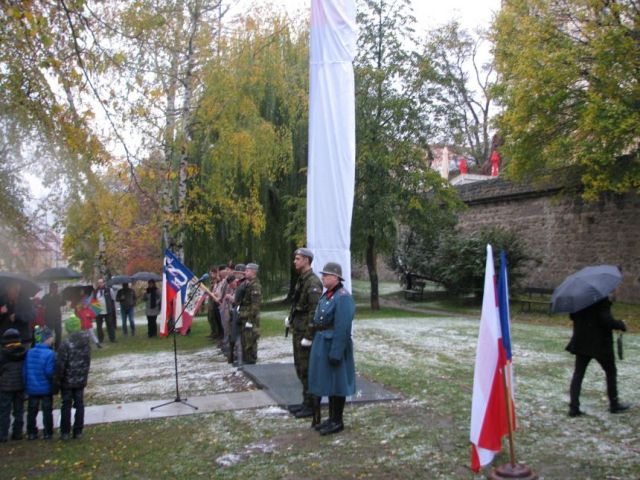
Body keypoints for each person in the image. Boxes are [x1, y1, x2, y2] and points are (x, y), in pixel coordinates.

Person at [308, 262, 356, 435]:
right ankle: (331, 419)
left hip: (335, 345)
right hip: (323, 342)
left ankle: (338, 420)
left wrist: (336, 352)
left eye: (326, 275)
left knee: (338, 383)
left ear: (336, 277)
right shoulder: (327, 295)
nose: (323, 278)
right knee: (329, 382)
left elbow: (343, 327)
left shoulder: (342, 297)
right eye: (323, 275)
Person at [566, 297, 629, 417]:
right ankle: (614, 404)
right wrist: (620, 324)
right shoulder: (601, 301)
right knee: (611, 372)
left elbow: (573, 316)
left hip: (582, 342)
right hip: (600, 345)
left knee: (578, 374)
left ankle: (574, 407)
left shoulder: (579, 300)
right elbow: (607, 321)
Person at [287, 248, 323, 419]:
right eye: (295, 258)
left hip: (305, 333)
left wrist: (309, 336)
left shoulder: (313, 282)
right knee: (300, 369)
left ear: (307, 261)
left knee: (308, 369)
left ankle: (312, 405)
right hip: (298, 330)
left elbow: (314, 312)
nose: (295, 261)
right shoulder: (302, 280)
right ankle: (305, 402)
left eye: (298, 259)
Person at [55, 316, 91, 440]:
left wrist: (58, 379)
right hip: (80, 379)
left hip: (67, 380)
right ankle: (78, 431)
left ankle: (65, 431)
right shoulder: (85, 343)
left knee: (66, 404)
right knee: (79, 404)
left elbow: (60, 364)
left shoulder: (65, 344)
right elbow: (87, 361)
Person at [23, 326, 56, 440]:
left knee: (32, 410)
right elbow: (49, 372)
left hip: (32, 387)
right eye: (51, 337)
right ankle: (48, 432)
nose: (52, 339)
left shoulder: (29, 352)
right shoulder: (50, 354)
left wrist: (26, 383)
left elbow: (25, 370)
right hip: (45, 387)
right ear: (46, 339)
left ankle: (31, 432)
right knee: (47, 410)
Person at [0, 328, 26, 442]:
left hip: (6, 387)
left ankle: (3, 434)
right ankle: (17, 433)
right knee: (19, 411)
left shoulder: (3, 356)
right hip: (20, 386)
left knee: (4, 411)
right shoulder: (23, 353)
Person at [238, 263, 261, 365]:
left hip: (250, 318)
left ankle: (251, 361)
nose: (245, 272)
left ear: (253, 272)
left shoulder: (255, 285)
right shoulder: (249, 284)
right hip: (244, 317)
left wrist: (250, 320)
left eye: (247, 271)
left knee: (250, 341)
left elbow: (255, 305)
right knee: (245, 341)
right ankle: (246, 361)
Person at [0, 281, 36, 347]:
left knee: (23, 356)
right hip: (6, 338)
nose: (11, 295)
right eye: (10, 293)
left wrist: (17, 316)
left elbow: (33, 314)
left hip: (23, 338)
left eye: (14, 293)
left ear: (18, 291)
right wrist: (1, 312)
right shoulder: (2, 300)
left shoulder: (26, 301)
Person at [41, 282, 65, 350]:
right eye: (53, 288)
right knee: (49, 334)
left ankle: (57, 347)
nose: (55, 290)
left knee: (58, 333)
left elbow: (64, 303)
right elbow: (42, 303)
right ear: (50, 289)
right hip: (48, 317)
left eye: (56, 288)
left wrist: (61, 299)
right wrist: (49, 299)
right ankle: (50, 347)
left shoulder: (58, 296)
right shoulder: (46, 296)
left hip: (57, 317)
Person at [92, 279, 116, 343]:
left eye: (101, 282)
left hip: (107, 310)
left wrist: (111, 308)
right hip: (99, 311)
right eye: (99, 283)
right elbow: (93, 301)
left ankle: (112, 338)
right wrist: (95, 311)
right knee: (99, 326)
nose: (100, 284)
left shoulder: (109, 290)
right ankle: (100, 339)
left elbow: (113, 299)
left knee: (110, 325)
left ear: (104, 283)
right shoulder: (95, 291)